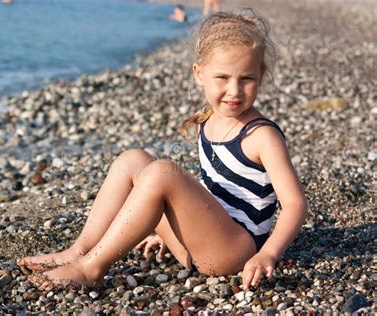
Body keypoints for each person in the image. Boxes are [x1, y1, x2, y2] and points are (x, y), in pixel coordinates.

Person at [17, 11, 308, 292]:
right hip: (202, 241)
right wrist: (170, 229)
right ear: (199, 74)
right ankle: (79, 250)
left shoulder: (261, 135)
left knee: (161, 173)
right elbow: (211, 191)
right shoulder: (209, 120)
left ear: (261, 75)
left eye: (246, 79)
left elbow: (294, 205)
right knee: (131, 160)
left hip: (233, 251)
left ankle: (91, 268)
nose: (234, 90)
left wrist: (267, 254)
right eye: (222, 77)